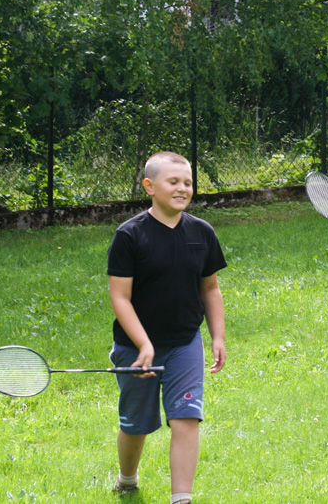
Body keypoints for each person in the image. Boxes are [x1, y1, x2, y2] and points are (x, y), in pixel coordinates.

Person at [107, 151, 227, 504]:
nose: (182, 188)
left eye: (188, 182)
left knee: (186, 418)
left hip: (185, 343)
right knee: (136, 423)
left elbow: (210, 288)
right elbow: (120, 297)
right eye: (173, 181)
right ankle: (127, 480)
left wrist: (217, 336)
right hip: (134, 349)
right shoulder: (129, 235)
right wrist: (143, 344)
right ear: (150, 186)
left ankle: (181, 499)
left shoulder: (202, 232)